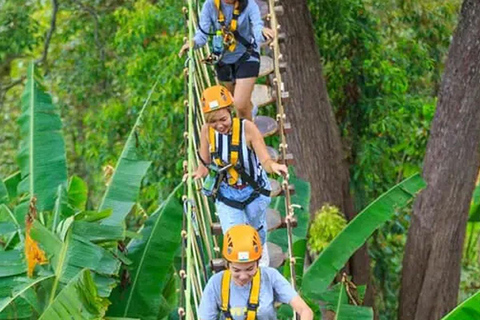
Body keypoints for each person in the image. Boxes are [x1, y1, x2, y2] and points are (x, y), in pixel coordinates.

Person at [193, 85, 288, 266]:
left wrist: (274, 166)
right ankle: (240, 279)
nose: (219, 125)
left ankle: (261, 260)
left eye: (223, 119)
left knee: (255, 229)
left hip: (253, 190)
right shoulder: (207, 131)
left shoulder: (247, 128)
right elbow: (204, 163)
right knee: (234, 238)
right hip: (227, 193)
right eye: (213, 122)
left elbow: (265, 160)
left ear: (231, 112)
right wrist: (198, 173)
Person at [179, 0, 275, 120]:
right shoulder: (209, 6)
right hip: (223, 59)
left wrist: (262, 32)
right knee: (234, 101)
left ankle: (247, 136)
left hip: (247, 56)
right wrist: (192, 43)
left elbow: (257, 28)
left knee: (239, 105)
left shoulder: (249, 5)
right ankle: (251, 108)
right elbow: (202, 36)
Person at [198, 225, 314, 320]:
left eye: (249, 269)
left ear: (258, 262)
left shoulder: (270, 276)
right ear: (227, 265)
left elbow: (305, 311)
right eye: (236, 270)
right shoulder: (216, 283)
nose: (243, 276)